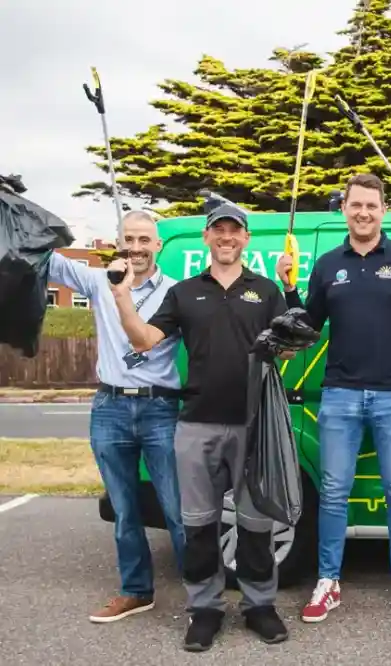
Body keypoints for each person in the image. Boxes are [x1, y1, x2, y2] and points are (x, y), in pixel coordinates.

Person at [110, 204, 296, 652]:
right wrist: (120, 295)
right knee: (198, 525)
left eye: (235, 231)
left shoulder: (267, 290)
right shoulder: (185, 292)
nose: (227, 237)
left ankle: (259, 606)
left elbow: (290, 348)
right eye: (219, 230)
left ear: (245, 239)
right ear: (207, 238)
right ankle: (205, 609)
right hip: (196, 423)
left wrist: (287, 328)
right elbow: (144, 340)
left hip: (255, 425)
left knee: (254, 524)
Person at [277, 173, 391, 624]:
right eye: (356, 205)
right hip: (339, 395)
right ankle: (328, 581)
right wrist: (289, 287)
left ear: (383, 210)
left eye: (372, 206)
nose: (364, 213)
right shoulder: (328, 264)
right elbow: (306, 327)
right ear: (345, 210)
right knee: (334, 492)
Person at [46, 210, 185, 624]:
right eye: (130, 239)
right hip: (109, 409)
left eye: (145, 240)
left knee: (178, 509)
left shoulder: (176, 293)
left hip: (161, 408)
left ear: (158, 245)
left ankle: (201, 595)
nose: (137, 247)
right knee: (125, 510)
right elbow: (45, 256)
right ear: (118, 242)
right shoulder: (97, 281)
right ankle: (136, 591)